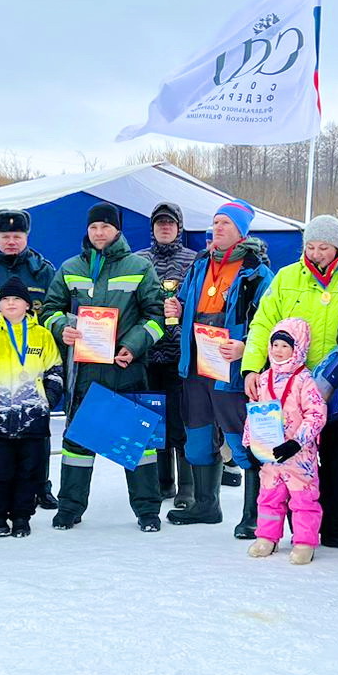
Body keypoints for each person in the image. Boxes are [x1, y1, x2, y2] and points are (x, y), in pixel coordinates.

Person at [243, 214, 338, 552]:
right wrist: (251, 368)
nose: (315, 253)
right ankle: (290, 525)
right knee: (289, 456)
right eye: (311, 246)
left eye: (323, 247)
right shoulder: (286, 278)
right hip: (289, 387)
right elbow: (262, 324)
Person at [41, 202, 166, 531]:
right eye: (94, 227)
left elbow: (156, 318)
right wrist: (60, 328)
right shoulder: (70, 267)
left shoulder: (139, 266)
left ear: (117, 230)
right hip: (84, 372)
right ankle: (69, 507)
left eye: (106, 227)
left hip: (126, 369)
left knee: (137, 443)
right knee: (77, 444)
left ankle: (147, 511)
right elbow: (49, 310)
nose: (99, 233)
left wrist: (133, 346)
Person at [165, 200, 273, 535]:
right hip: (196, 362)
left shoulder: (258, 272)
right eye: (215, 222)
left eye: (225, 222)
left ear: (241, 230)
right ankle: (205, 505)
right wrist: (176, 306)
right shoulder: (200, 264)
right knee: (196, 436)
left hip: (231, 366)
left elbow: (267, 322)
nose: (218, 228)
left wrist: (245, 347)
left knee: (240, 439)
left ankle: (254, 514)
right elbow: (185, 299)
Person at [0, 276, 65, 537]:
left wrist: (47, 400)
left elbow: (55, 369)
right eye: (5, 300)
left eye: (17, 299)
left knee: (28, 470)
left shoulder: (42, 335)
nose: (10, 304)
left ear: (28, 306)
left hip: (33, 418)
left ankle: (21, 516)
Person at [242, 317, 325, 564]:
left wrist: (297, 442)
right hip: (270, 453)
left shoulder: (304, 380)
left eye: (285, 346)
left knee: (303, 499)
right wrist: (250, 443)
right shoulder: (264, 377)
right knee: (269, 496)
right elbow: (254, 411)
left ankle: (304, 542)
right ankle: (267, 537)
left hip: (298, 456)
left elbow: (317, 414)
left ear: (297, 349)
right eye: (275, 345)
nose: (278, 351)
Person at [135, 201, 197, 508]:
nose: (164, 227)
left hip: (180, 356)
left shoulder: (194, 260)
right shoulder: (138, 260)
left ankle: (187, 485)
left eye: (170, 223)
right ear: (152, 227)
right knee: (151, 421)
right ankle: (162, 481)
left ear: (179, 227)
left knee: (180, 421)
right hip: (147, 355)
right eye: (159, 223)